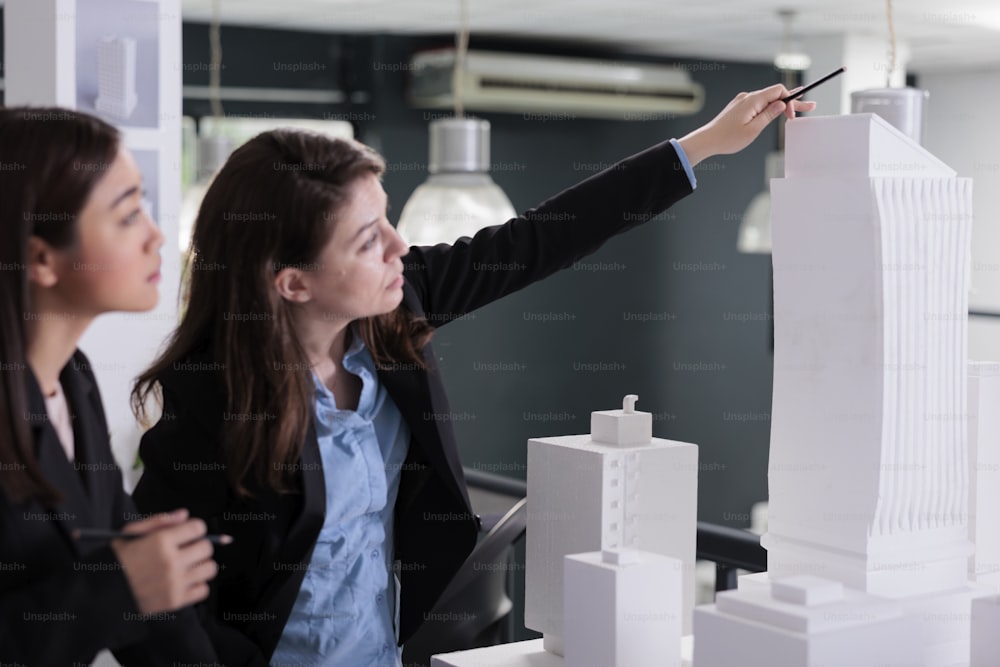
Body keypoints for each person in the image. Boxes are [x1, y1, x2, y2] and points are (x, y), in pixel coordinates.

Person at [130, 83, 815, 666]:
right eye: (369, 240)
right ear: (293, 282)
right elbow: (145, 607)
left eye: (389, 219)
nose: (401, 246)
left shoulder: (398, 307)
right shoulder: (209, 400)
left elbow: (542, 237)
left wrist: (702, 144)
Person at [0, 107, 222, 665]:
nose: (157, 236)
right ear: (42, 258)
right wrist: (120, 588)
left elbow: (124, 551)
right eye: (127, 216)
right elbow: (119, 582)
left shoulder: (73, 380)